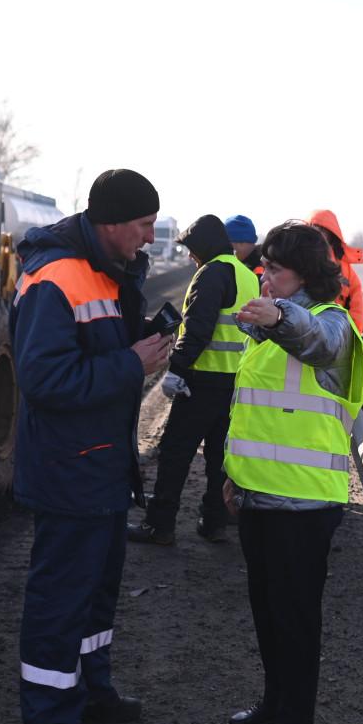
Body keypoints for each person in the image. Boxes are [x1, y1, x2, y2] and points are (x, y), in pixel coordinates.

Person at [12, 168, 172, 724]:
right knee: (60, 598)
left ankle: (90, 690)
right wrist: (132, 363)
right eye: (143, 224)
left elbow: (99, 351)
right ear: (109, 223)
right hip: (68, 470)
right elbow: (46, 379)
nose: (150, 238)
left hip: (102, 467)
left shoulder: (106, 271)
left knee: (96, 596)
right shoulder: (57, 278)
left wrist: (145, 339)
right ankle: (49, 717)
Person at [222, 220, 363, 724]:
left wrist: (280, 315)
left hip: (305, 505)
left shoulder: (331, 326)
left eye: (275, 269)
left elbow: (314, 340)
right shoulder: (266, 333)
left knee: (295, 617)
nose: (264, 276)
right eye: (264, 267)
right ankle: (274, 703)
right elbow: (253, 415)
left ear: (304, 275)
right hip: (260, 496)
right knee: (266, 609)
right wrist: (232, 476)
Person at [127, 214, 257, 546]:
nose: (189, 257)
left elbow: (199, 328)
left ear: (203, 247)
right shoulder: (246, 275)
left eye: (191, 250)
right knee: (219, 458)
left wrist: (177, 370)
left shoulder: (212, 273)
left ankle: (160, 525)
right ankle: (214, 523)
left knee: (175, 453)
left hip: (202, 381)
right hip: (235, 384)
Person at [308, 209, 363, 333]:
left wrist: (349, 338)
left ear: (331, 234)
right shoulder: (296, 259)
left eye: (322, 229)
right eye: (313, 228)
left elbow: (357, 309)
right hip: (303, 332)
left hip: (335, 335)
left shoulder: (346, 271)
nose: (318, 234)